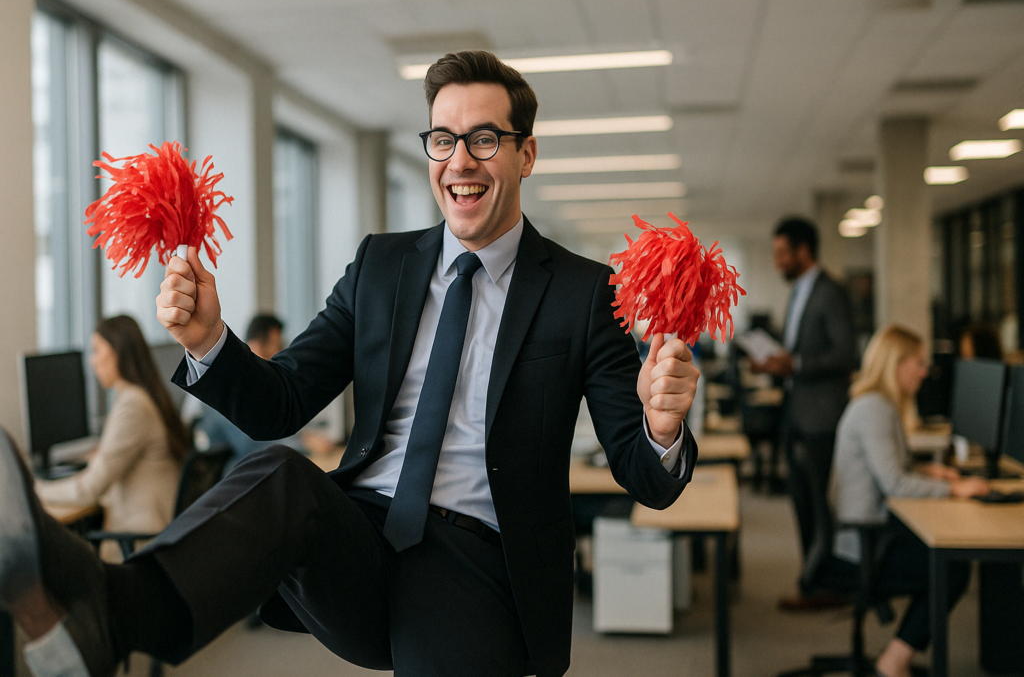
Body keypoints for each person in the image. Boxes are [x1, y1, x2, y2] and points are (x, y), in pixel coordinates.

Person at [0, 50, 700, 677]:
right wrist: (210, 339)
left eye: (485, 139)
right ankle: (111, 612)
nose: (461, 159)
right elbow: (282, 400)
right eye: (443, 138)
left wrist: (662, 426)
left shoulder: (584, 292)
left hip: (481, 557)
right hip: (360, 533)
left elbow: (645, 478)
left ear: (527, 154)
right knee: (279, 474)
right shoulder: (381, 265)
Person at [831, 325, 988, 677]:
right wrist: (954, 490)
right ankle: (895, 661)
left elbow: (894, 468)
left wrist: (929, 472)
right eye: (918, 362)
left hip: (873, 531)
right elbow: (893, 482)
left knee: (945, 553)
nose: (924, 370)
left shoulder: (880, 404)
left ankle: (898, 654)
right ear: (896, 364)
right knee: (951, 567)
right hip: (863, 542)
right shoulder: (874, 408)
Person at [755, 216, 857, 610]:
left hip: (822, 417)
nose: (778, 261)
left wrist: (794, 364)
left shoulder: (830, 292)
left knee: (819, 502)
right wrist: (771, 363)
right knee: (801, 498)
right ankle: (814, 579)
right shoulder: (799, 292)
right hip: (796, 413)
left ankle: (826, 581)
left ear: (804, 251)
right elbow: (796, 350)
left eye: (782, 253)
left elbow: (845, 354)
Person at [34, 315, 188, 562]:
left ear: (117, 352)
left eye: (97, 351)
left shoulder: (133, 406)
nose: (92, 362)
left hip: (137, 546)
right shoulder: (142, 397)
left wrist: (35, 489)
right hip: (159, 537)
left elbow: (90, 489)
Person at [183, 313, 305, 468]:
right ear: (263, 342)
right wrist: (302, 443)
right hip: (227, 476)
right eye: (279, 345)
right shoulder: (229, 378)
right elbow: (251, 444)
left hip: (242, 469)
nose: (281, 352)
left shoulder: (255, 380)